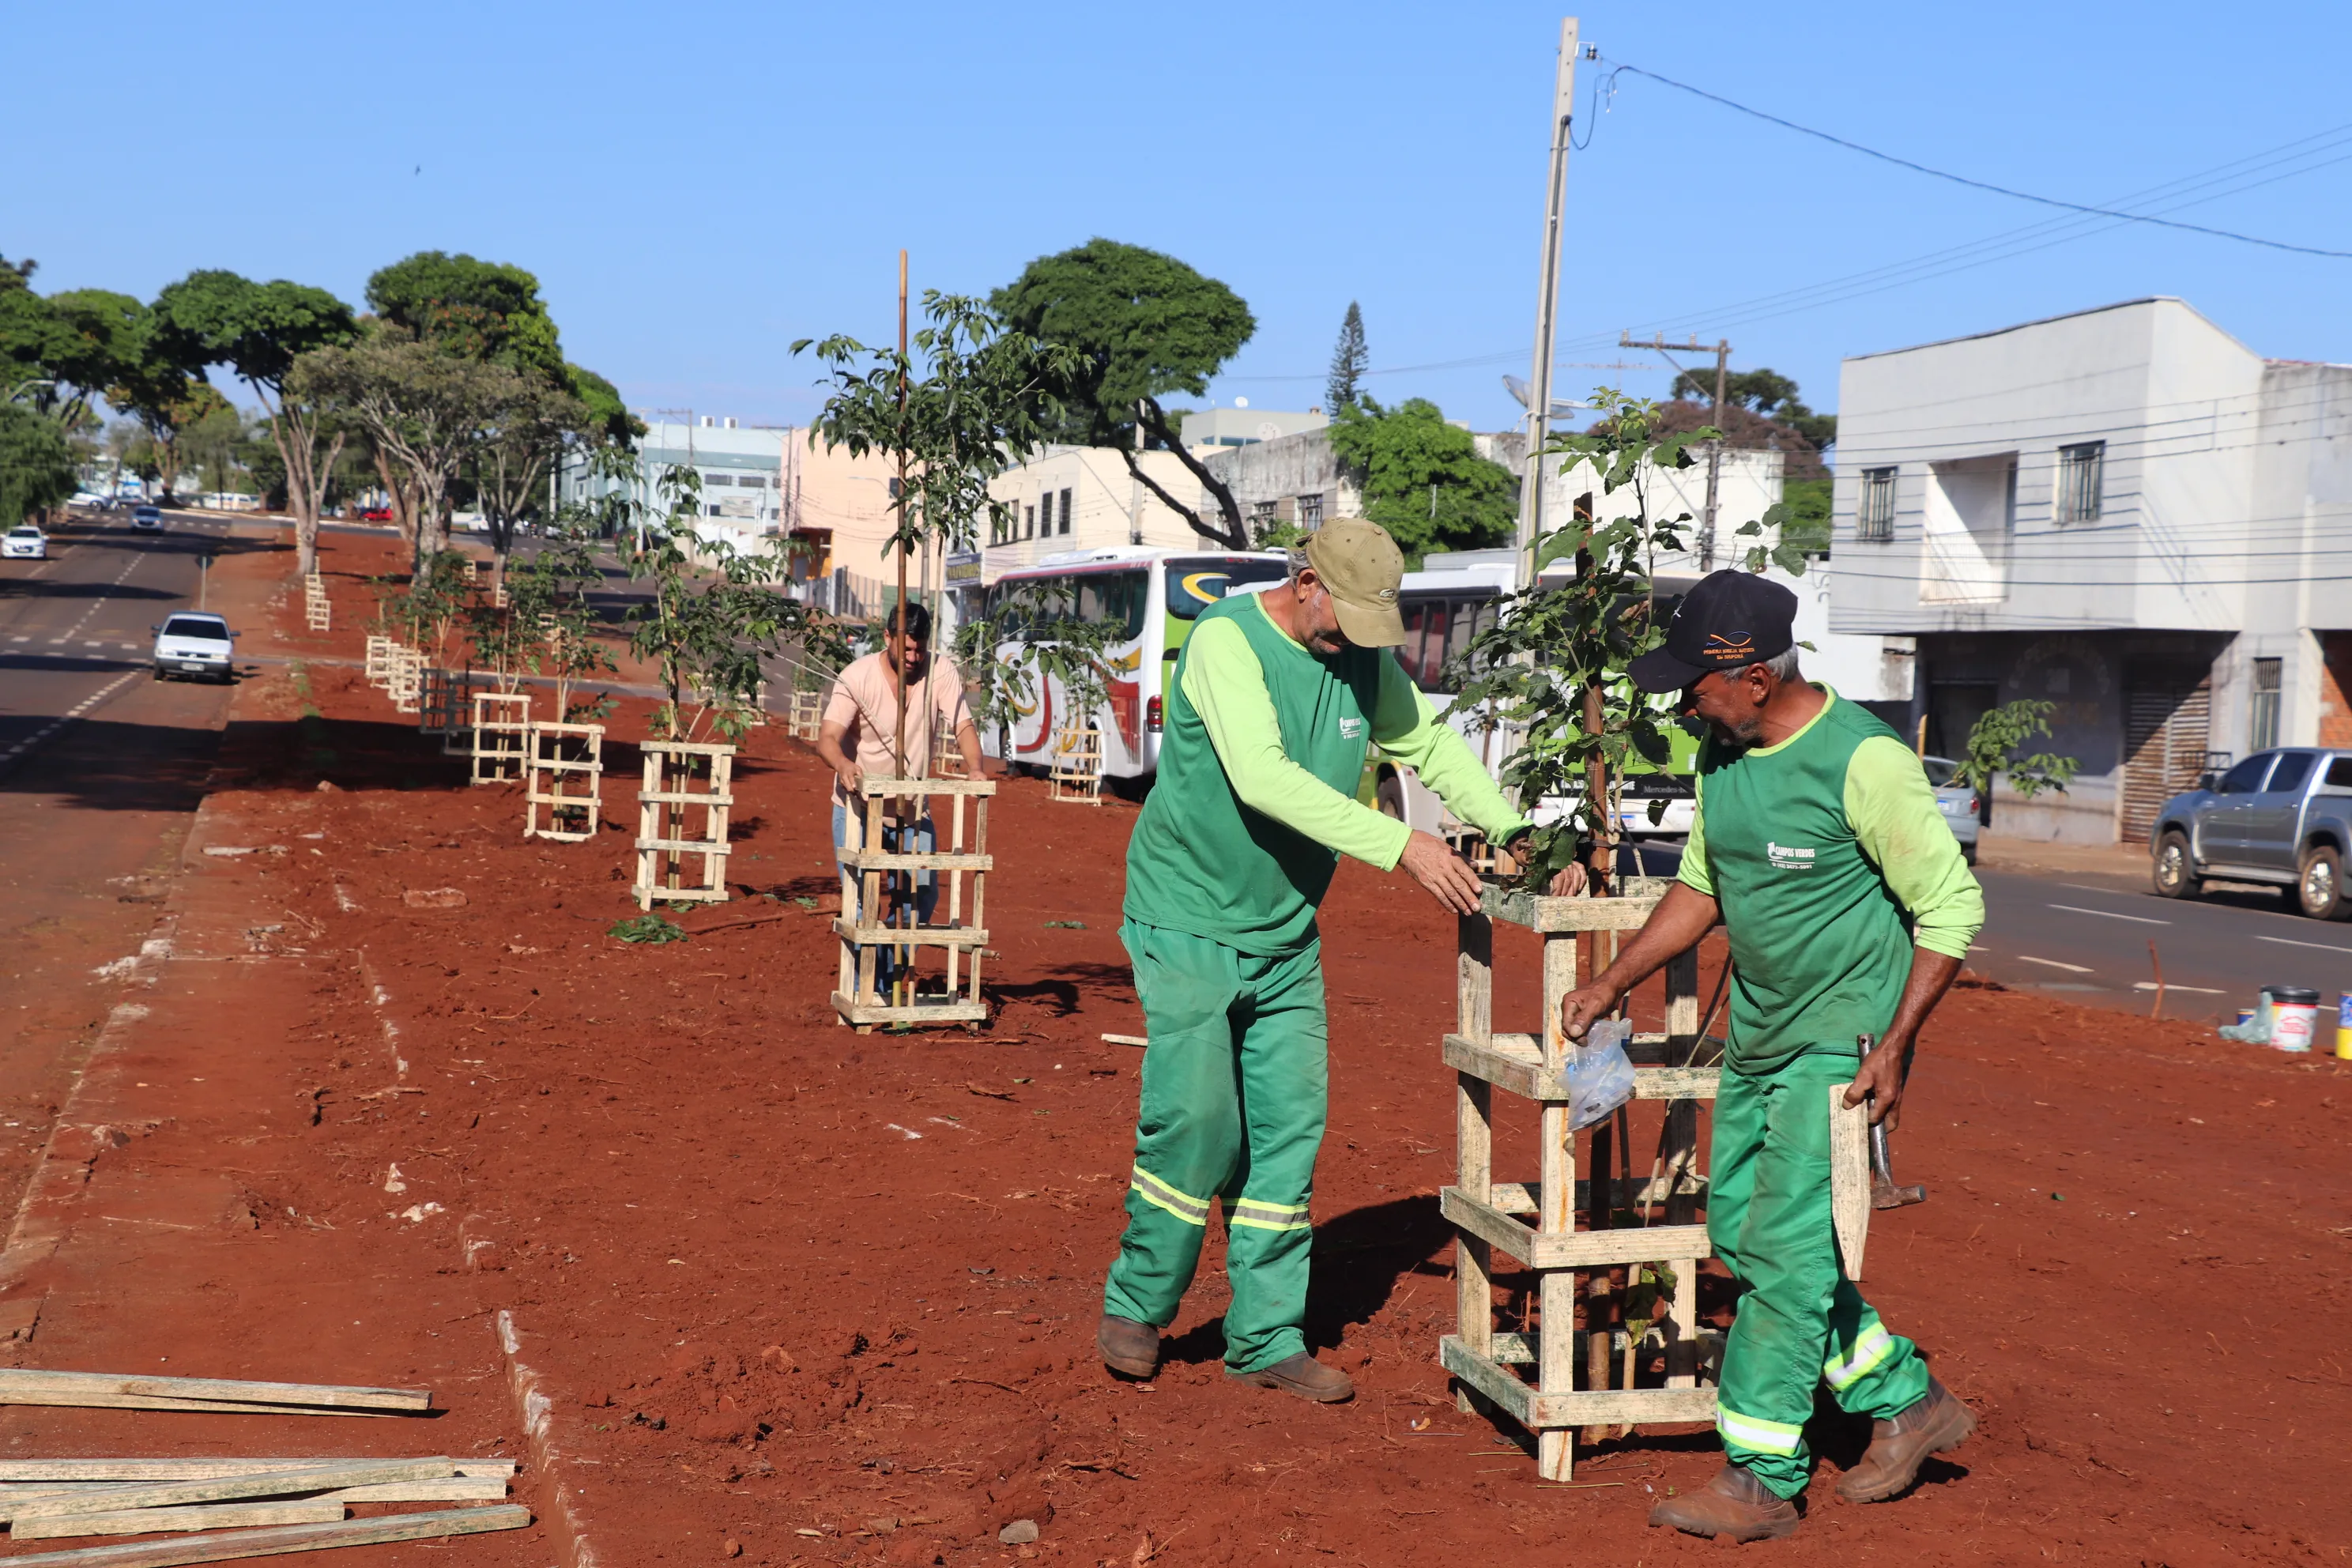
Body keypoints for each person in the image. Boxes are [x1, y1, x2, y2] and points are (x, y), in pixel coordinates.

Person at [1098, 518, 1581, 1403]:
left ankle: (1265, 1336)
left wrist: (1509, 828)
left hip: (1282, 934)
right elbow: (1264, 776)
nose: (1351, 642)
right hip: (1187, 916)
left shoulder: (1360, 658)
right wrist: (1405, 847)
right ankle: (1139, 1302)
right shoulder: (1227, 642)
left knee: (1287, 1135)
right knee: (1199, 1123)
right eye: (1343, 619)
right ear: (1306, 580)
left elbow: (1427, 746)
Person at [1554, 570, 1984, 1540]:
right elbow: (1703, 885)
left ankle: (1760, 1477)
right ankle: (1909, 1399)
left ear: (1753, 676)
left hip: (1838, 1044)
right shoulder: (1723, 752)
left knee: (1787, 1260)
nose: (1681, 703)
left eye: (1695, 686)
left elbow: (1951, 909)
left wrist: (1897, 1046)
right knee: (1743, 1239)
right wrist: (1613, 980)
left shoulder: (1864, 761)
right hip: (1756, 1036)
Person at [815, 602, 983, 986]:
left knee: (923, 897)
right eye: (905, 648)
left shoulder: (941, 671)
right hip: (859, 811)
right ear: (887, 637)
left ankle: (886, 977)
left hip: (913, 811)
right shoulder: (857, 677)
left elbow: (963, 725)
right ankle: (863, 991)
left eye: (920, 649)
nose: (913, 657)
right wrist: (843, 766)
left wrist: (975, 768)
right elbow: (827, 738)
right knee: (861, 905)